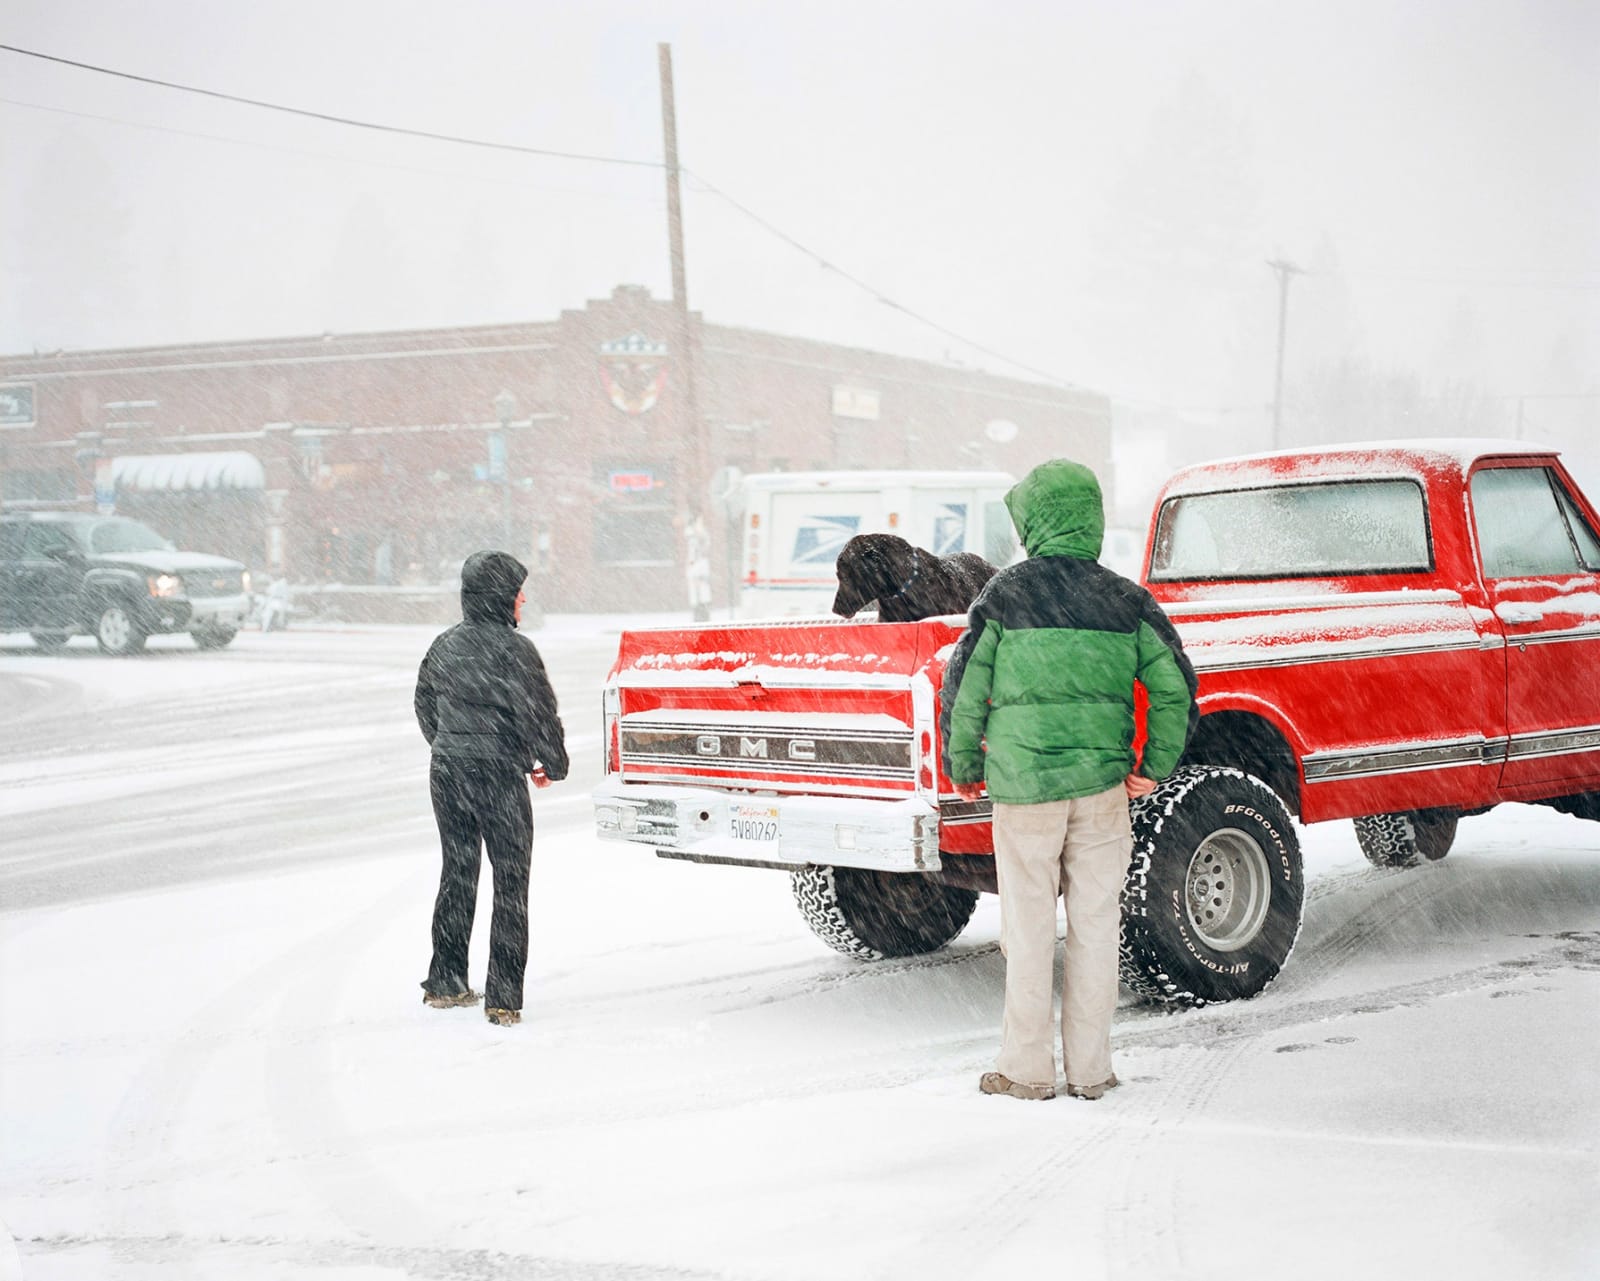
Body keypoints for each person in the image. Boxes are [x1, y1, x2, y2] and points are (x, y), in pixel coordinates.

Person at [940, 460, 1196, 1101]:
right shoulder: (1128, 600)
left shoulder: (1003, 595)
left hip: (1025, 793)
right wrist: (1153, 766)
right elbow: (1175, 688)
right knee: (1095, 928)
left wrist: (966, 765)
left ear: (1035, 522)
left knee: (1027, 935)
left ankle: (1026, 1071)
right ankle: (1091, 1070)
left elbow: (964, 689)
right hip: (1102, 794)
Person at [413, 549, 569, 1026]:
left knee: (458, 871)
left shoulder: (444, 645)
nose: (523, 598)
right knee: (510, 881)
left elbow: (424, 705)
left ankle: (445, 980)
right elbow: (539, 716)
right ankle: (502, 997)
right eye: (518, 590)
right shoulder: (515, 651)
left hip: (448, 772)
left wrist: (450, 746)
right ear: (503, 595)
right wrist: (550, 763)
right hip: (498, 776)